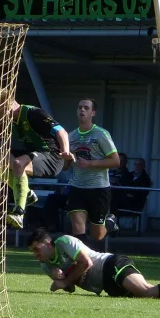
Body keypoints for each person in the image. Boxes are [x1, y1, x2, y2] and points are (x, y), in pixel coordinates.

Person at [26, 228, 160, 302]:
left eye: (37, 249)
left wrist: (64, 280)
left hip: (110, 264)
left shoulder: (64, 242)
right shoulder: (46, 267)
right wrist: (59, 282)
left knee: (146, 290)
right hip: (106, 286)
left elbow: (86, 262)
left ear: (47, 243)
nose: (36, 255)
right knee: (149, 294)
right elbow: (70, 288)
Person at [0, 90, 72, 230]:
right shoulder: (6, 121)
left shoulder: (32, 113)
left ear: (6, 104)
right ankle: (27, 193)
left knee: (19, 163)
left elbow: (61, 131)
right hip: (33, 155)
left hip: (52, 157)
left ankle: (19, 212)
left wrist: (65, 151)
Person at [63, 98, 120, 250]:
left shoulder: (100, 134)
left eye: (86, 108)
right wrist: (66, 158)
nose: (82, 110)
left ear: (93, 113)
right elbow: (65, 167)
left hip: (99, 189)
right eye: (80, 107)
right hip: (77, 187)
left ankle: (110, 223)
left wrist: (90, 164)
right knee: (77, 226)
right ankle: (84, 263)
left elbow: (115, 161)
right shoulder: (71, 136)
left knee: (98, 235)